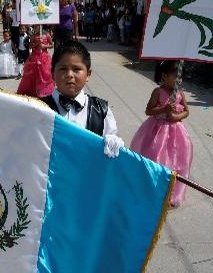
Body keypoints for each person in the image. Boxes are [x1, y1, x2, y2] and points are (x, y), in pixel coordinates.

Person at [39, 40, 123, 158]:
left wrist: (113, 144)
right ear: (52, 74)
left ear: (88, 74)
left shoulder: (102, 110)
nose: (69, 74)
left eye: (76, 69)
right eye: (63, 69)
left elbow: (112, 144)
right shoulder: (39, 107)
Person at [130, 61, 192, 207]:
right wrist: (163, 109)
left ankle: (171, 193)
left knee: (175, 162)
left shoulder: (180, 94)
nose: (179, 80)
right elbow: (149, 111)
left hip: (176, 133)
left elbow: (187, 111)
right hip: (157, 131)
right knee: (157, 159)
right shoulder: (158, 92)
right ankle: (151, 191)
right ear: (164, 76)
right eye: (175, 76)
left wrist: (177, 117)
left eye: (180, 77)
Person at [17, 25, 54, 97]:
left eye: (37, 26)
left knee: (44, 74)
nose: (35, 28)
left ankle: (43, 90)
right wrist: (36, 44)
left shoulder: (47, 35)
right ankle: (34, 90)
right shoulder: (33, 36)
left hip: (44, 57)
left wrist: (44, 46)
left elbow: (51, 45)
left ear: (41, 27)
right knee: (33, 74)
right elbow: (30, 46)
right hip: (34, 57)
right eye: (35, 27)